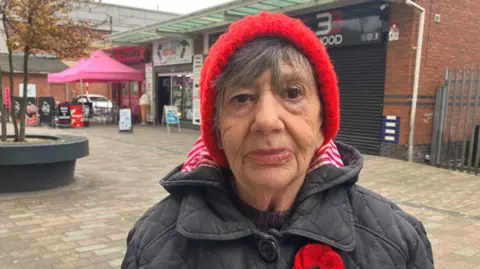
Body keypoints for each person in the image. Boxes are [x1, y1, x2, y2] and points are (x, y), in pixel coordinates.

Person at [121, 12, 434, 269]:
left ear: (322, 120)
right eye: (242, 98)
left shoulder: (398, 241)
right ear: (216, 127)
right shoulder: (152, 244)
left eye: (293, 93)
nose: (267, 121)